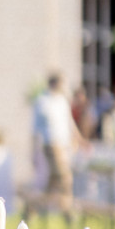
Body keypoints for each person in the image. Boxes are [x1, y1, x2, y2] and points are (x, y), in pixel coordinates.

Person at [32, 72, 82, 216]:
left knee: (52, 182)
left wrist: (79, 140)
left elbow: (69, 124)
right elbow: (35, 129)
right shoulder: (42, 101)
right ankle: (68, 211)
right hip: (51, 145)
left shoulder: (62, 101)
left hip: (64, 145)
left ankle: (33, 208)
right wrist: (34, 151)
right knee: (64, 177)